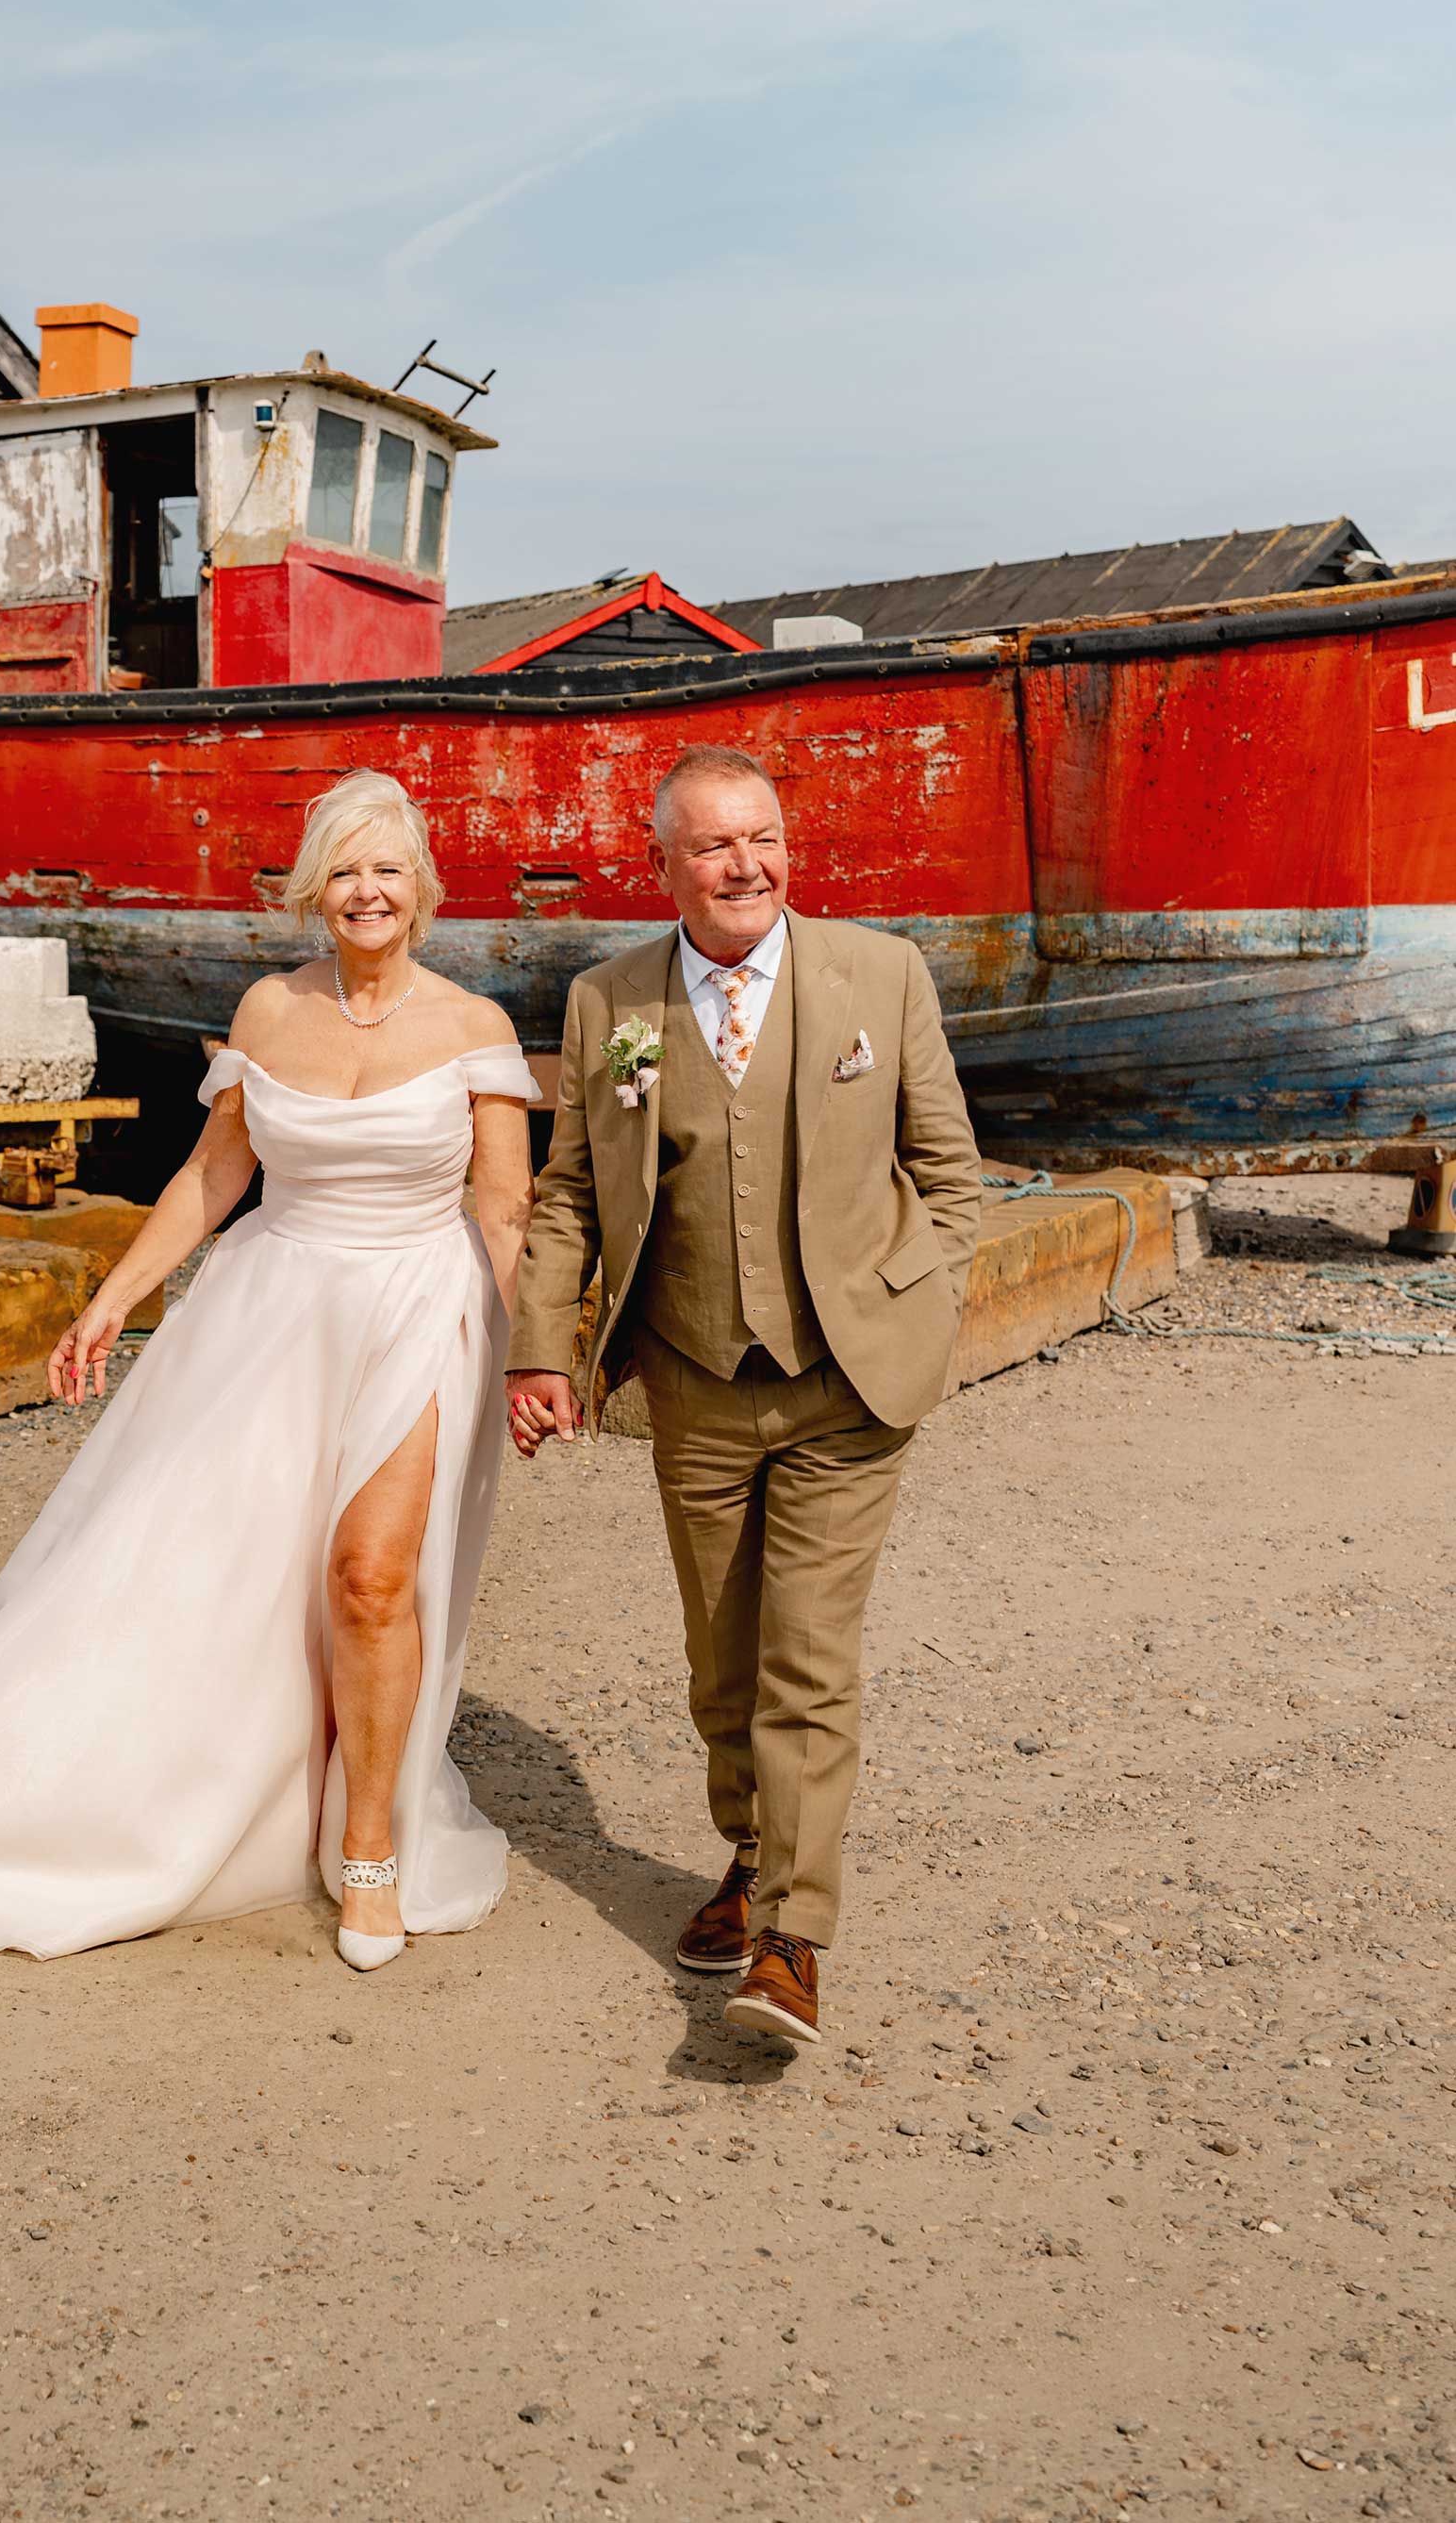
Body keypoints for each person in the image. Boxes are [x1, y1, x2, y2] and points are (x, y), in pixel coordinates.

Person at [0, 770, 537, 1970]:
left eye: (387, 868)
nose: (366, 891)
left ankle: (367, 1847)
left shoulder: (474, 1028)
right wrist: (111, 1300)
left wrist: (514, 1354)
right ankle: (203, 1782)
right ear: (312, 889)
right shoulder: (266, 1009)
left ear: (421, 887)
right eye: (343, 870)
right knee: (218, 1570)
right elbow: (212, 1175)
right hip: (272, 1309)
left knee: (368, 1576)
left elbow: (501, 1205)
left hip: (417, 1305)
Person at [505, 744, 983, 2047]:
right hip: (695, 1379)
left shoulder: (879, 974)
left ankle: (790, 1938)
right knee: (721, 1666)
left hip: (847, 1384)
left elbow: (950, 1174)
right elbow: (568, 1191)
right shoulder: (611, 1001)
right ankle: (751, 1852)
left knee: (805, 1661)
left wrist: (922, 1310)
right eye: (714, 844)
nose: (745, 865)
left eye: (762, 837)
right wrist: (540, 1347)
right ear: (662, 863)